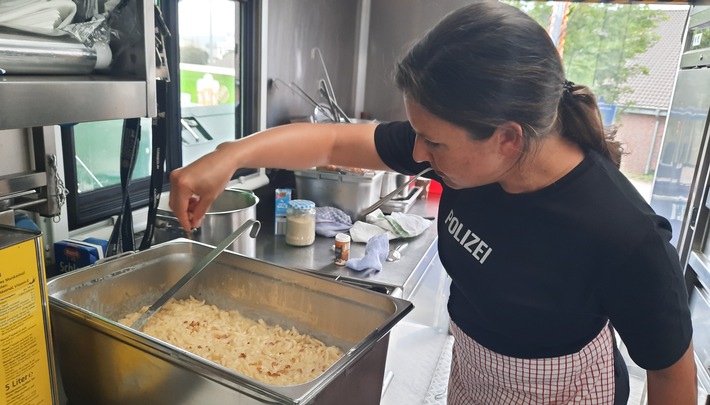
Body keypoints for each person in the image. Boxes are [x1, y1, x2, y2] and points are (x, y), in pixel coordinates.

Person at [169, 2, 696, 404]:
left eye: (433, 142)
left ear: (507, 139)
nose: (417, 153)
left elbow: (672, 371)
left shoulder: (623, 236)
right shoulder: (467, 149)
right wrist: (230, 155)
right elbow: (332, 142)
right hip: (472, 370)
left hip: (564, 389)